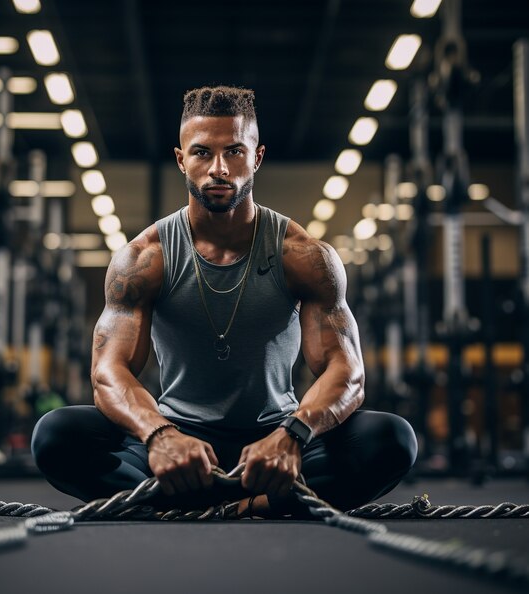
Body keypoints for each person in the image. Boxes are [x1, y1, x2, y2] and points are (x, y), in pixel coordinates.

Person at [32, 86, 417, 517]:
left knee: (392, 439)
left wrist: (293, 435)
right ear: (181, 159)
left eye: (234, 151)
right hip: (179, 442)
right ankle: (259, 504)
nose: (219, 168)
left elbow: (347, 373)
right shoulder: (144, 258)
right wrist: (160, 436)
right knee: (56, 435)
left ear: (257, 157)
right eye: (202, 153)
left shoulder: (304, 256)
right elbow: (108, 373)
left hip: (275, 442)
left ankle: (205, 503)